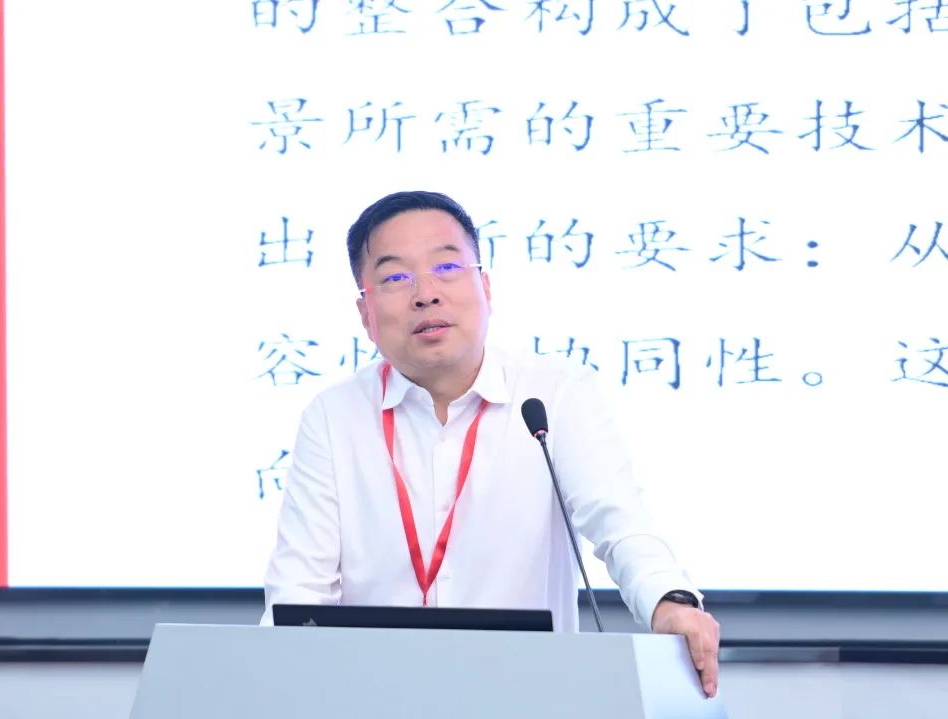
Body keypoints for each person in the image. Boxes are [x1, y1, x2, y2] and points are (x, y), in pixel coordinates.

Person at [261, 190, 721, 697]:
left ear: (484, 287)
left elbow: (620, 523)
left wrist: (670, 602)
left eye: (447, 268)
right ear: (365, 313)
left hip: (529, 697)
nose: (426, 294)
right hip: (372, 698)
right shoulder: (334, 416)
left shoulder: (554, 395)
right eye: (395, 278)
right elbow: (298, 591)